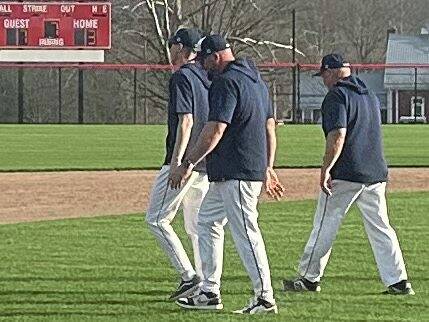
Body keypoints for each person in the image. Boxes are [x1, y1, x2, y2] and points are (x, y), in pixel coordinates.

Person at [169, 34, 285, 314]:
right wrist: (268, 166)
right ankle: (209, 292)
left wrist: (188, 162)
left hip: (238, 172)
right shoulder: (256, 81)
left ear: (216, 56)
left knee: (246, 233)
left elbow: (215, 129)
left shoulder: (225, 82)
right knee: (207, 221)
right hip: (237, 171)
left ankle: (265, 298)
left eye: (204, 59)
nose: (202, 65)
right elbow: (270, 127)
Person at [283, 54, 414, 295]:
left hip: (347, 173)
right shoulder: (368, 94)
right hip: (375, 172)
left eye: (323, 74)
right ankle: (398, 280)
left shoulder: (337, 95)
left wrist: (326, 169)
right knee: (381, 228)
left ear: (332, 71)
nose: (323, 79)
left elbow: (338, 135)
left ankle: (309, 278)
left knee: (325, 223)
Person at [145, 28, 211, 301]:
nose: (170, 51)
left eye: (173, 46)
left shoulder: (182, 76)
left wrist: (177, 163)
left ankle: (189, 276)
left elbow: (186, 121)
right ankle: (206, 284)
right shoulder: (208, 76)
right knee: (197, 226)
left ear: (181, 47)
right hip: (204, 162)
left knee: (157, 220)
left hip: (184, 162)